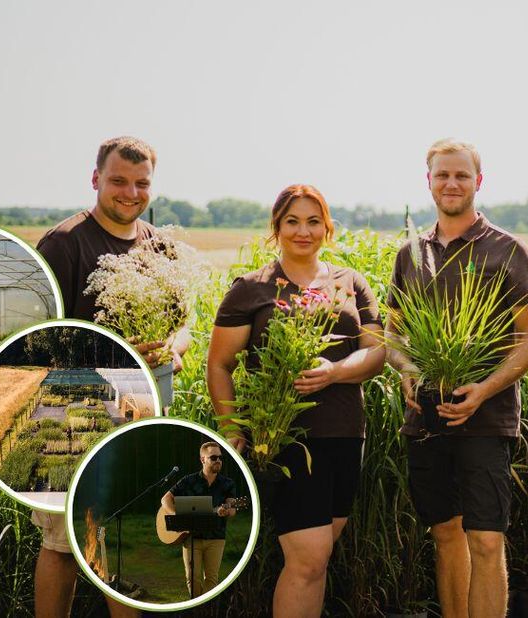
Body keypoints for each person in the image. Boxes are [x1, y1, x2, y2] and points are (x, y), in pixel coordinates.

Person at [208, 184, 385, 616]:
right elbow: (219, 365)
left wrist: (335, 372)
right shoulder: (251, 288)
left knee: (317, 560)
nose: (303, 231)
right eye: (292, 221)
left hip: (345, 436)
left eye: (313, 221)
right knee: (307, 559)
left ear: (327, 227)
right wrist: (232, 428)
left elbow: (377, 352)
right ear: (276, 228)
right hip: (288, 443)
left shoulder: (351, 283)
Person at [33, 136, 186, 618]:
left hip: (141, 417)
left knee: (124, 542)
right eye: (118, 180)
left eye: (141, 183)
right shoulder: (64, 243)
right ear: (96, 178)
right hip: (70, 418)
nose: (130, 192)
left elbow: (184, 320)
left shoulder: (158, 245)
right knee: (62, 544)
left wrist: (173, 347)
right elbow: (36, 343)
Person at [385, 139, 528, 616]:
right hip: (425, 419)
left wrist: (485, 390)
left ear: (479, 182)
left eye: (462, 176)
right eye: (442, 175)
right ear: (427, 181)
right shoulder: (410, 253)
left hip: (487, 419)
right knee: (446, 535)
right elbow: (392, 333)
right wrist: (407, 370)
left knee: (487, 540)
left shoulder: (507, 250)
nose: (451, 184)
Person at [160, 442, 245, 597]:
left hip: (216, 537)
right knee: (192, 579)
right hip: (191, 537)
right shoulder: (188, 481)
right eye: (213, 457)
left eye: (220, 457)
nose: (218, 460)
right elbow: (165, 499)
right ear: (203, 460)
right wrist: (177, 515)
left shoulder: (228, 484)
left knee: (212, 579)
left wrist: (226, 511)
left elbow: (232, 508)